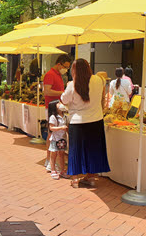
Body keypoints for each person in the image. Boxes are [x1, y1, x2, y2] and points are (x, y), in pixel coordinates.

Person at [60, 59, 110, 188]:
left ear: (74, 70)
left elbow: (64, 99)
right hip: (96, 120)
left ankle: (75, 179)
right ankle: (91, 176)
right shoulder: (98, 80)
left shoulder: (72, 84)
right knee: (93, 150)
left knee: (76, 151)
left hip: (78, 121)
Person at [47, 100, 69, 180]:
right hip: (55, 139)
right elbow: (51, 128)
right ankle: (53, 170)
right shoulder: (53, 117)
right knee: (53, 154)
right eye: (58, 103)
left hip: (62, 139)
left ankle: (62, 170)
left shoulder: (65, 116)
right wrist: (61, 128)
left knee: (62, 155)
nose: (60, 104)